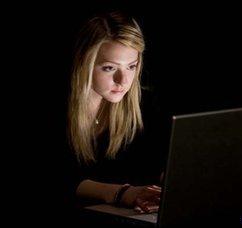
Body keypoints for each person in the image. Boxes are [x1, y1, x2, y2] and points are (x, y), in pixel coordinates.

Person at [65, 11, 169, 216]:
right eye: (109, 68)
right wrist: (122, 193)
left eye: (132, 66)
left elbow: (157, 163)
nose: (123, 80)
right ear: (84, 64)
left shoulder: (143, 104)